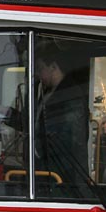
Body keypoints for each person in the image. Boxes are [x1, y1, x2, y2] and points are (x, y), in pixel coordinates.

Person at [34, 39, 89, 174]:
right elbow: (35, 124)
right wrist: (8, 114)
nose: (38, 75)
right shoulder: (45, 93)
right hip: (46, 164)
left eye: (41, 68)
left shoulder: (70, 95)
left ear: (53, 67)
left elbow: (74, 140)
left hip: (63, 169)